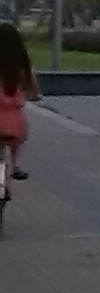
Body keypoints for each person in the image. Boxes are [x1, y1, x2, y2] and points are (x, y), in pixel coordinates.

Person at [0, 22, 34, 184]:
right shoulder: (23, 69)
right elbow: (32, 92)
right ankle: (15, 166)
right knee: (16, 138)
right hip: (15, 125)